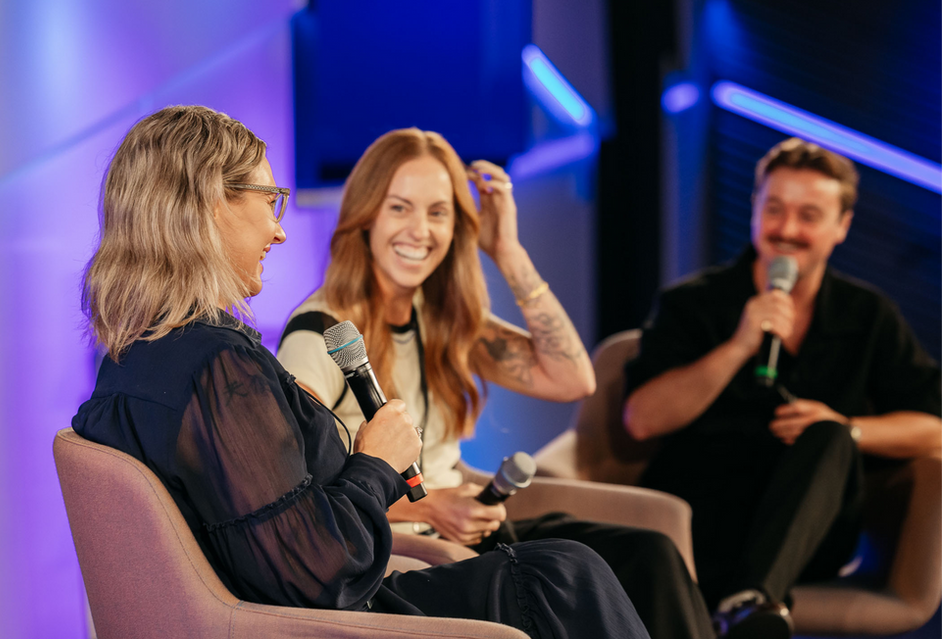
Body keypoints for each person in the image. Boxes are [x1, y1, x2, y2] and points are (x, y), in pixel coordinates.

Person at [71, 105, 651, 639]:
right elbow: (315, 572)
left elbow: (571, 377)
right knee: (565, 575)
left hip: (292, 609)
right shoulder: (221, 368)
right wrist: (377, 462)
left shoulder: (134, 356)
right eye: (269, 199)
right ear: (208, 204)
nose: (279, 230)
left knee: (582, 561)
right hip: (324, 622)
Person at [277, 127, 715, 639]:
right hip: (403, 540)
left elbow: (572, 377)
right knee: (572, 570)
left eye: (438, 212)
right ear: (366, 216)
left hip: (471, 522)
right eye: (400, 208)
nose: (420, 230)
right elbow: (295, 487)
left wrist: (506, 249)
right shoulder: (321, 334)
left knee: (652, 553)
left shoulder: (440, 317)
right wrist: (434, 504)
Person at [623, 137, 942, 638]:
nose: (787, 230)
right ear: (754, 210)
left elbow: (933, 428)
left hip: (811, 533)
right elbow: (641, 419)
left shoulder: (868, 315)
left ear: (842, 226)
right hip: (702, 522)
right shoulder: (692, 303)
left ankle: (749, 601)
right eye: (774, 209)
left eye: (809, 215)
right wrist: (738, 346)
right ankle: (752, 609)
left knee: (832, 436)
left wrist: (849, 428)